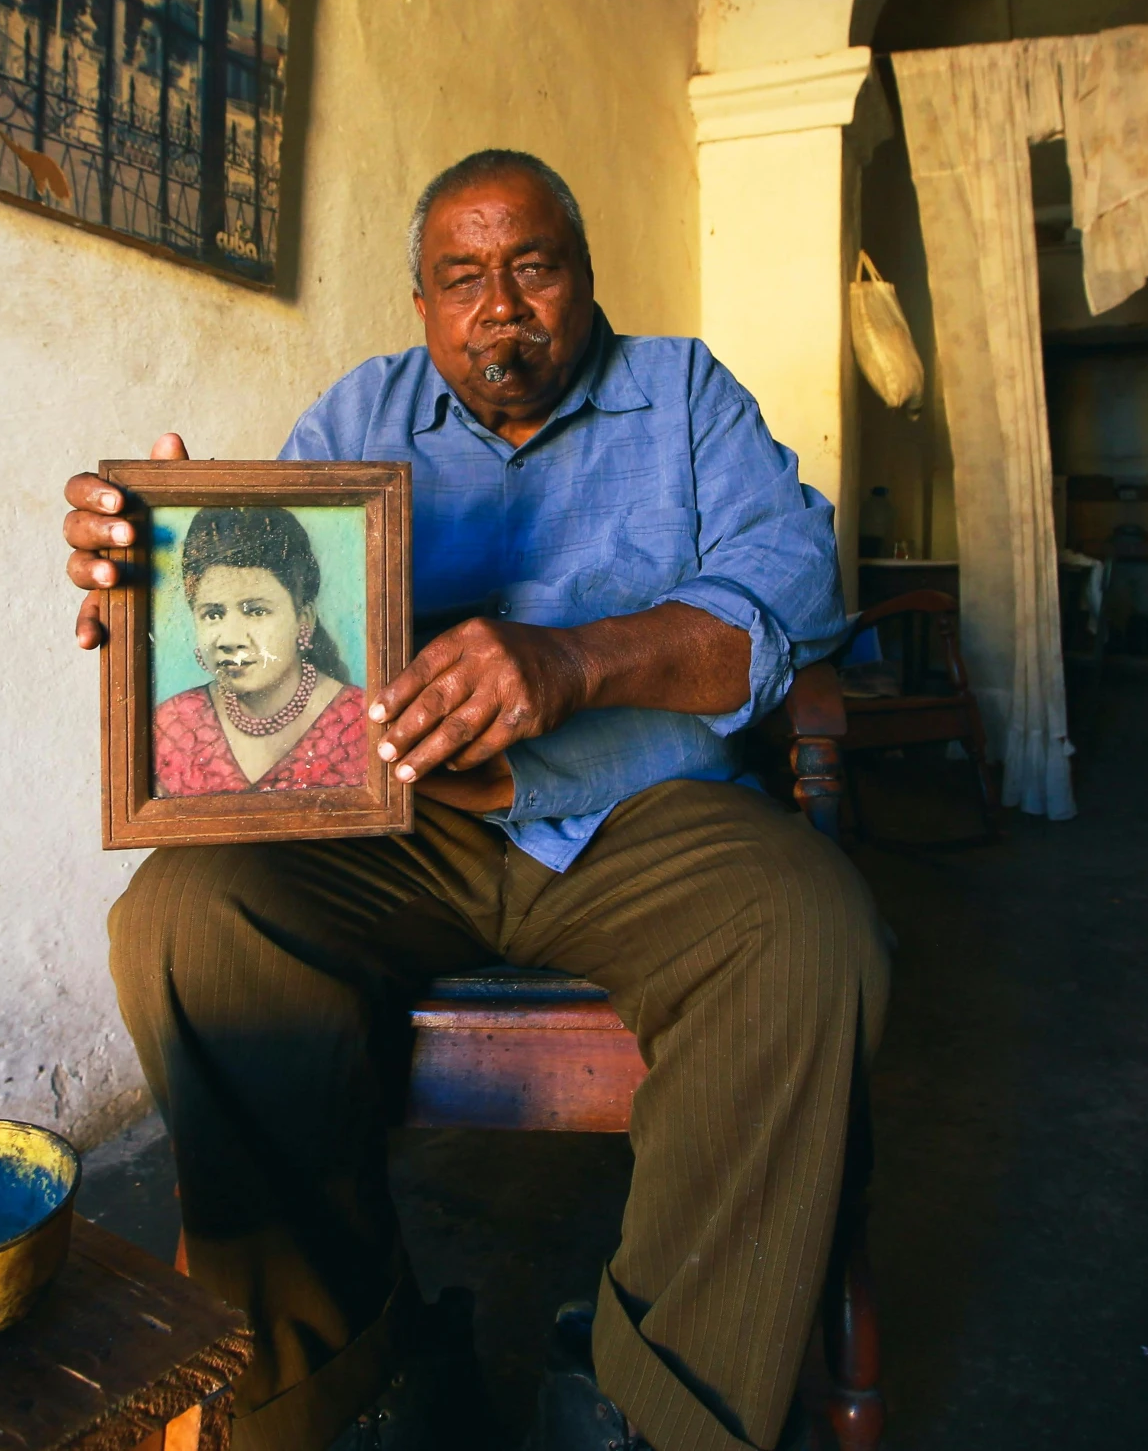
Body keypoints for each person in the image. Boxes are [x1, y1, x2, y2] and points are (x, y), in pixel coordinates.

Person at [62, 150, 889, 1451]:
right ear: (421, 303)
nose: (501, 307)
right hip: (401, 825)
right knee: (188, 916)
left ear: (584, 277)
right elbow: (274, 633)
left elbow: (795, 592)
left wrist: (577, 659)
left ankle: (646, 1407)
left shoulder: (683, 396)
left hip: (644, 815)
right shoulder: (359, 413)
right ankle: (351, 1375)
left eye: (533, 267)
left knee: (809, 937)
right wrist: (155, 565)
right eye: (462, 279)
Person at [155, 506, 367, 796]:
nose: (230, 639)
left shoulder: (361, 722)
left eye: (256, 611)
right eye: (213, 614)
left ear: (303, 619)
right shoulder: (171, 725)